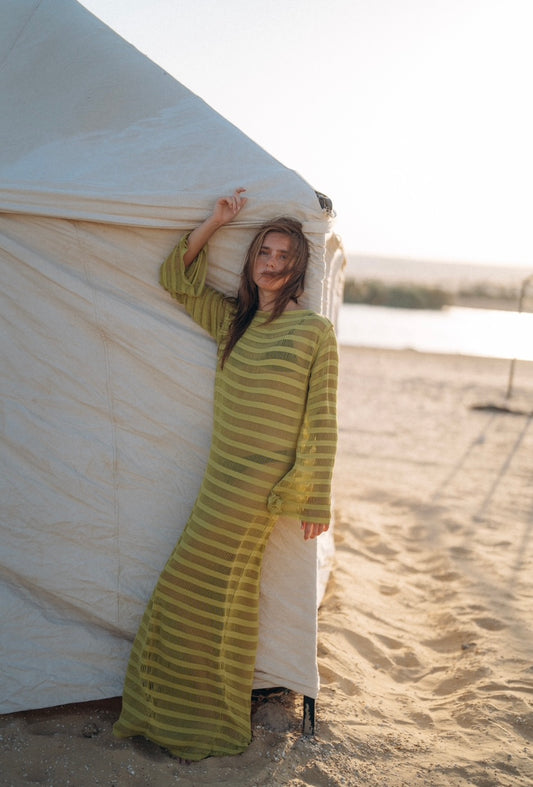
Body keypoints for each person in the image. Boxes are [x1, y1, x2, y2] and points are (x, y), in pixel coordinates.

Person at [113, 188, 338, 761]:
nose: (273, 263)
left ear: (299, 266)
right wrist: (215, 220)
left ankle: (203, 715)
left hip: (259, 491)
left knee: (204, 590)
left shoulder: (314, 333)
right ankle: (184, 708)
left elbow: (322, 417)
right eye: (265, 252)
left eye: (285, 255)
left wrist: (316, 499)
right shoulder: (232, 320)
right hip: (219, 479)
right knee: (208, 595)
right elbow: (176, 276)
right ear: (253, 259)